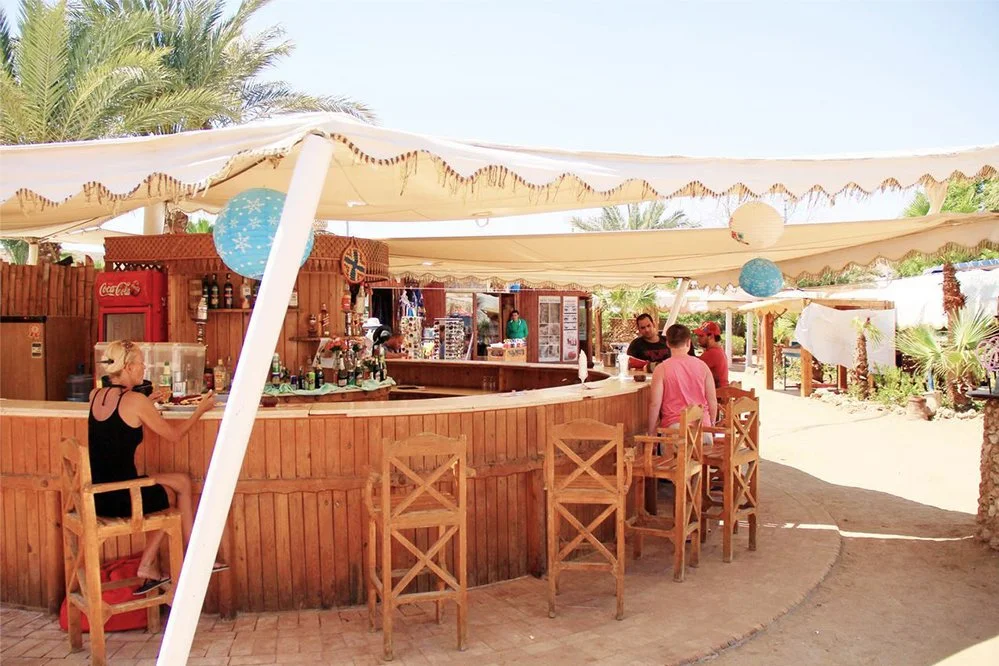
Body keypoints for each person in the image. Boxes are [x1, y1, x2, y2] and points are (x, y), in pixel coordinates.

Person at [90, 340, 227, 594]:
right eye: (141, 363)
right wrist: (200, 410)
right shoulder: (135, 401)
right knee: (169, 498)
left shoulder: (95, 395)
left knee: (182, 481)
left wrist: (145, 403)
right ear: (128, 367)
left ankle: (195, 555)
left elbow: (119, 423)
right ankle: (151, 563)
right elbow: (174, 436)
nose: (144, 368)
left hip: (99, 494)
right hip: (123, 496)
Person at [647, 324, 717, 437]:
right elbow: (712, 401)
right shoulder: (703, 366)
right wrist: (711, 426)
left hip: (675, 432)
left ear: (667, 343)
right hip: (702, 430)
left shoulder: (661, 369)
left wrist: (651, 433)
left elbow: (655, 404)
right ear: (689, 343)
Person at [693, 321, 730, 388]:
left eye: (701, 336)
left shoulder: (712, 353)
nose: (698, 338)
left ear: (710, 337)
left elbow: (691, 370)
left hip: (718, 392)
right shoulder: (718, 350)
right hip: (721, 390)